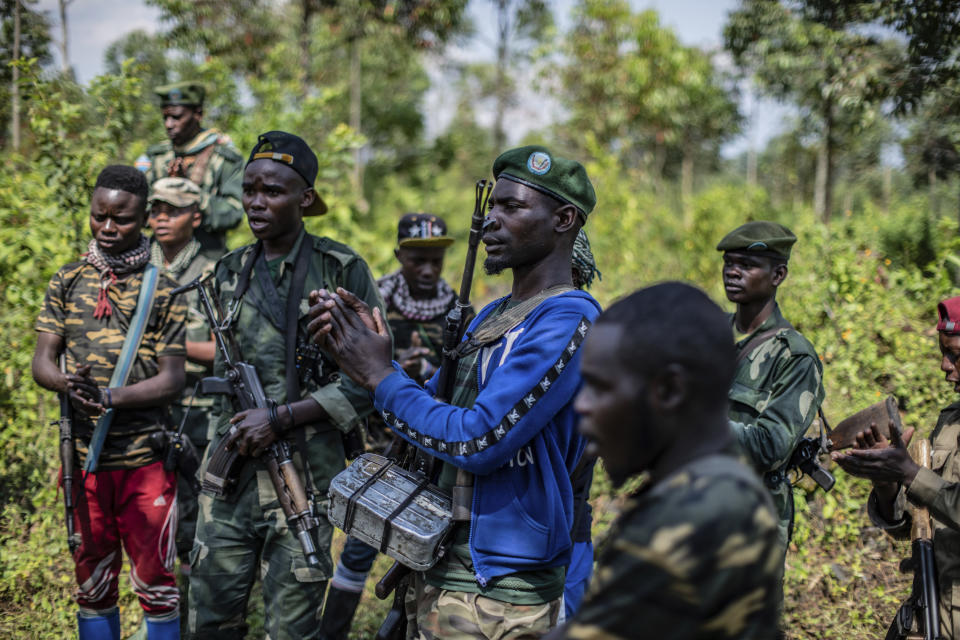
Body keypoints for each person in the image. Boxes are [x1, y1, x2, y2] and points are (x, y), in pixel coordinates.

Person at [309, 145, 603, 638]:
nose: (491, 221)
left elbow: (480, 439)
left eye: (512, 207)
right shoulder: (494, 315)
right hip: (443, 560)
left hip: (499, 589)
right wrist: (370, 353)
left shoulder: (569, 318)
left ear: (564, 219)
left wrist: (382, 377)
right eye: (493, 206)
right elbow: (428, 411)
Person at [186, 131, 387, 640]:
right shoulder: (228, 273)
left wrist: (279, 417)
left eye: (272, 191)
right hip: (228, 480)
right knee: (210, 618)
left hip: (305, 477)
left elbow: (373, 381)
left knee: (292, 627)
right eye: (249, 189)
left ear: (305, 198)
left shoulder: (340, 270)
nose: (256, 201)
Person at [545, 282, 781, 639]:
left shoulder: (692, 517)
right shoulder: (723, 486)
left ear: (669, 390)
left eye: (600, 387)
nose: (583, 406)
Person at [31, 165, 187, 640]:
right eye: (99, 217)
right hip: (84, 461)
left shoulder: (163, 288)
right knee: (92, 584)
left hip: (145, 463)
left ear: (142, 219)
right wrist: (64, 384)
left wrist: (108, 396)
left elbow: (172, 380)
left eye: (121, 219)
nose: (108, 228)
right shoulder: (67, 280)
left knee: (157, 585)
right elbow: (42, 360)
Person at [319, 212, 471, 639]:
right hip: (381, 446)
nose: (427, 269)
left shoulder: (459, 308)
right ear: (398, 255)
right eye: (416, 259)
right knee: (360, 544)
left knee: (426, 548)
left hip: (433, 446)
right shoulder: (375, 302)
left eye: (435, 261)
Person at [832, 296, 960, 638]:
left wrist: (909, 473)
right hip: (932, 615)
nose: (945, 366)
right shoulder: (950, 424)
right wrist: (886, 482)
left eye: (956, 355)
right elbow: (919, 522)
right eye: (943, 353)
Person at [718, 221, 824, 575]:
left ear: (778, 275)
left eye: (747, 265)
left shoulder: (794, 357)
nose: (733, 271)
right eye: (729, 262)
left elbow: (769, 446)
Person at [146, 176, 217, 611]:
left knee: (194, 510)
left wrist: (167, 348)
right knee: (149, 507)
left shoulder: (212, 271)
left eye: (172, 210)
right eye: (155, 209)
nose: (160, 218)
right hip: (146, 407)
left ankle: (193, 605)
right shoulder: (140, 265)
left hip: (198, 409)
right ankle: (156, 598)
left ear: (196, 215)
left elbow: (222, 350)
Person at [145, 81, 244, 257]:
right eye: (165, 118)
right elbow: (137, 209)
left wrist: (189, 191)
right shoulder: (158, 157)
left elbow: (233, 213)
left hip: (207, 255)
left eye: (176, 117)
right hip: (159, 255)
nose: (169, 124)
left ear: (197, 114)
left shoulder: (223, 158)